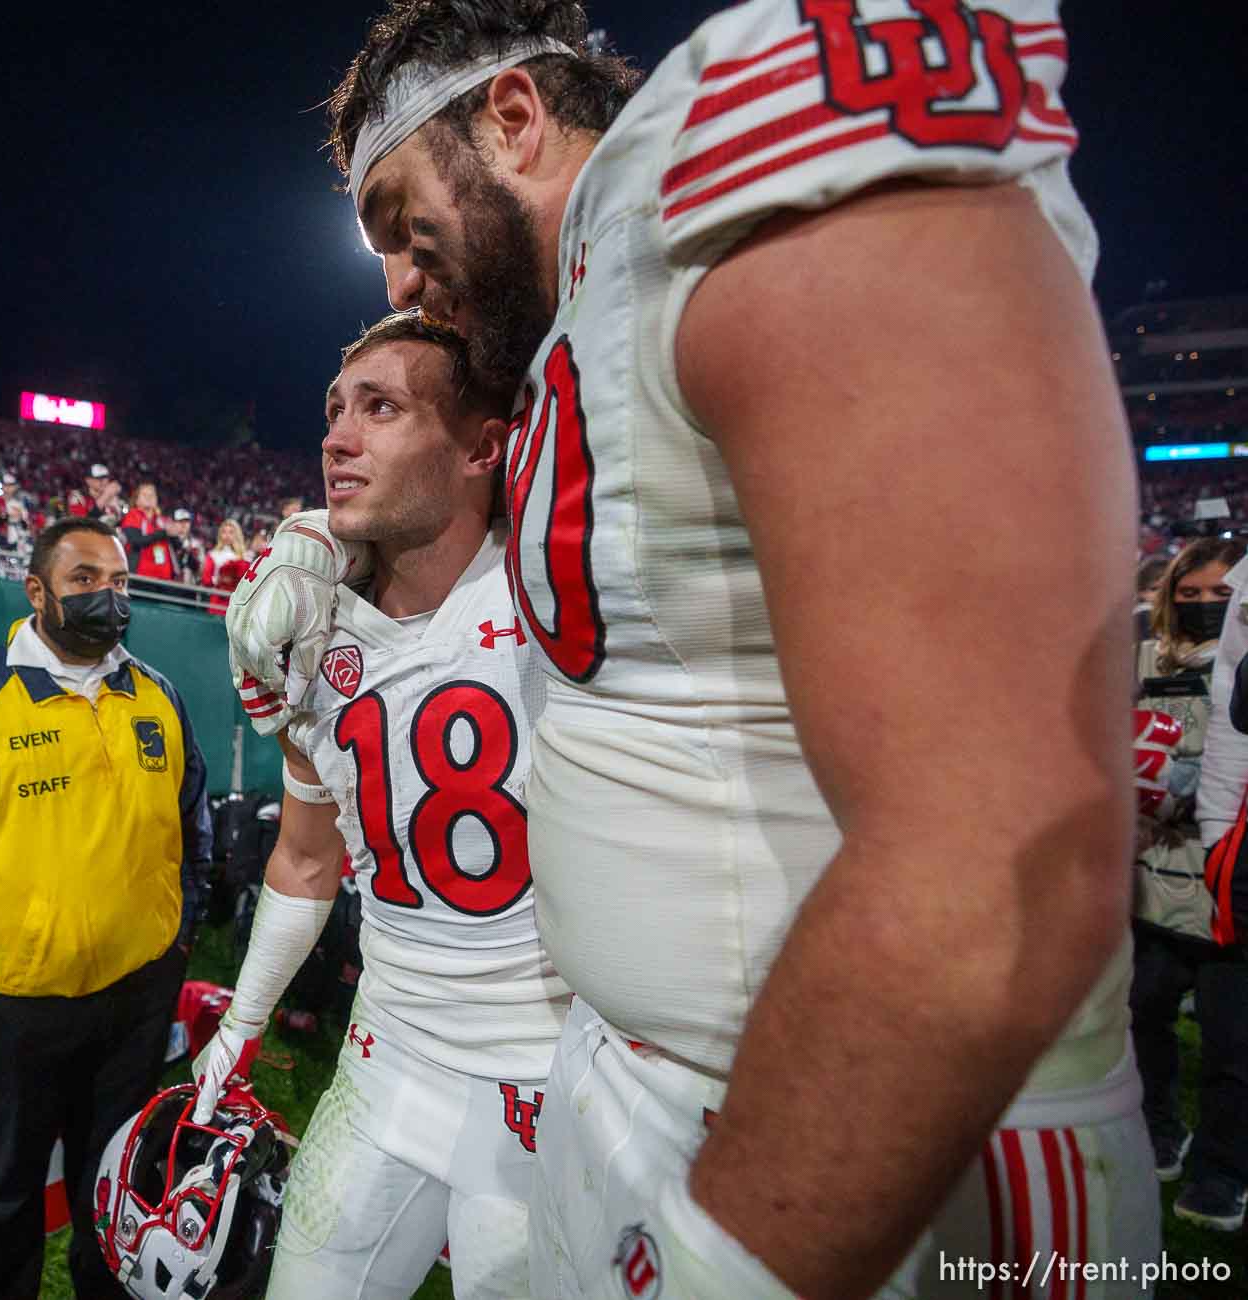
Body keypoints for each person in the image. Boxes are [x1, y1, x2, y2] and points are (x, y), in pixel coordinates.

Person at [228, 2, 1155, 1294]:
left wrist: (730, 1255)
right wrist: (322, 548)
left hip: (872, 1137)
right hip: (629, 1081)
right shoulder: (587, 322)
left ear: (512, 117)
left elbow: (995, 855)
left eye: (397, 218)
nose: (394, 277)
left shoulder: (742, 181)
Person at [194, 313, 561, 1297]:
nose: (336, 436)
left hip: (551, 1075)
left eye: (381, 407)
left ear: (486, 443)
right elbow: (308, 858)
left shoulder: (559, 580)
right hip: (388, 1048)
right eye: (334, 409)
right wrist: (241, 1022)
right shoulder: (309, 631)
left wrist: (302, 534)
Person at [0, 516, 211, 1299]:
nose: (108, 597)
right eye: (86, 579)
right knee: (3, 1202)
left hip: (134, 1005)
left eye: (120, 581)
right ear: (37, 591)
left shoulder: (156, 696)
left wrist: (179, 944)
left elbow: (192, 836)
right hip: (12, 1012)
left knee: (117, 1191)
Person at [1134, 538, 1248, 1231]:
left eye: (1221, 594)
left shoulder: (1242, 666)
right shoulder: (1140, 658)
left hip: (1228, 878)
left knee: (1234, 1041)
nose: (1206, 604)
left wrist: (1189, 781)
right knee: (1144, 1011)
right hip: (1154, 879)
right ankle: (1158, 1127)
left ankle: (1222, 1171)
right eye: (1191, 592)